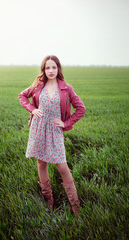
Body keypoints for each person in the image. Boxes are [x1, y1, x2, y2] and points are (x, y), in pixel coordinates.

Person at [18, 55, 86, 215]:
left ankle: (76, 206)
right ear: (44, 69)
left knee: (62, 166)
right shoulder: (37, 85)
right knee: (41, 164)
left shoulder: (66, 88)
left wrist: (66, 123)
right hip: (38, 128)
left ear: (58, 69)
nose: (50, 70)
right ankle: (49, 200)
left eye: (53, 67)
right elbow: (22, 96)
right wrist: (32, 109)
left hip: (55, 130)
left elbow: (81, 108)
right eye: (47, 67)